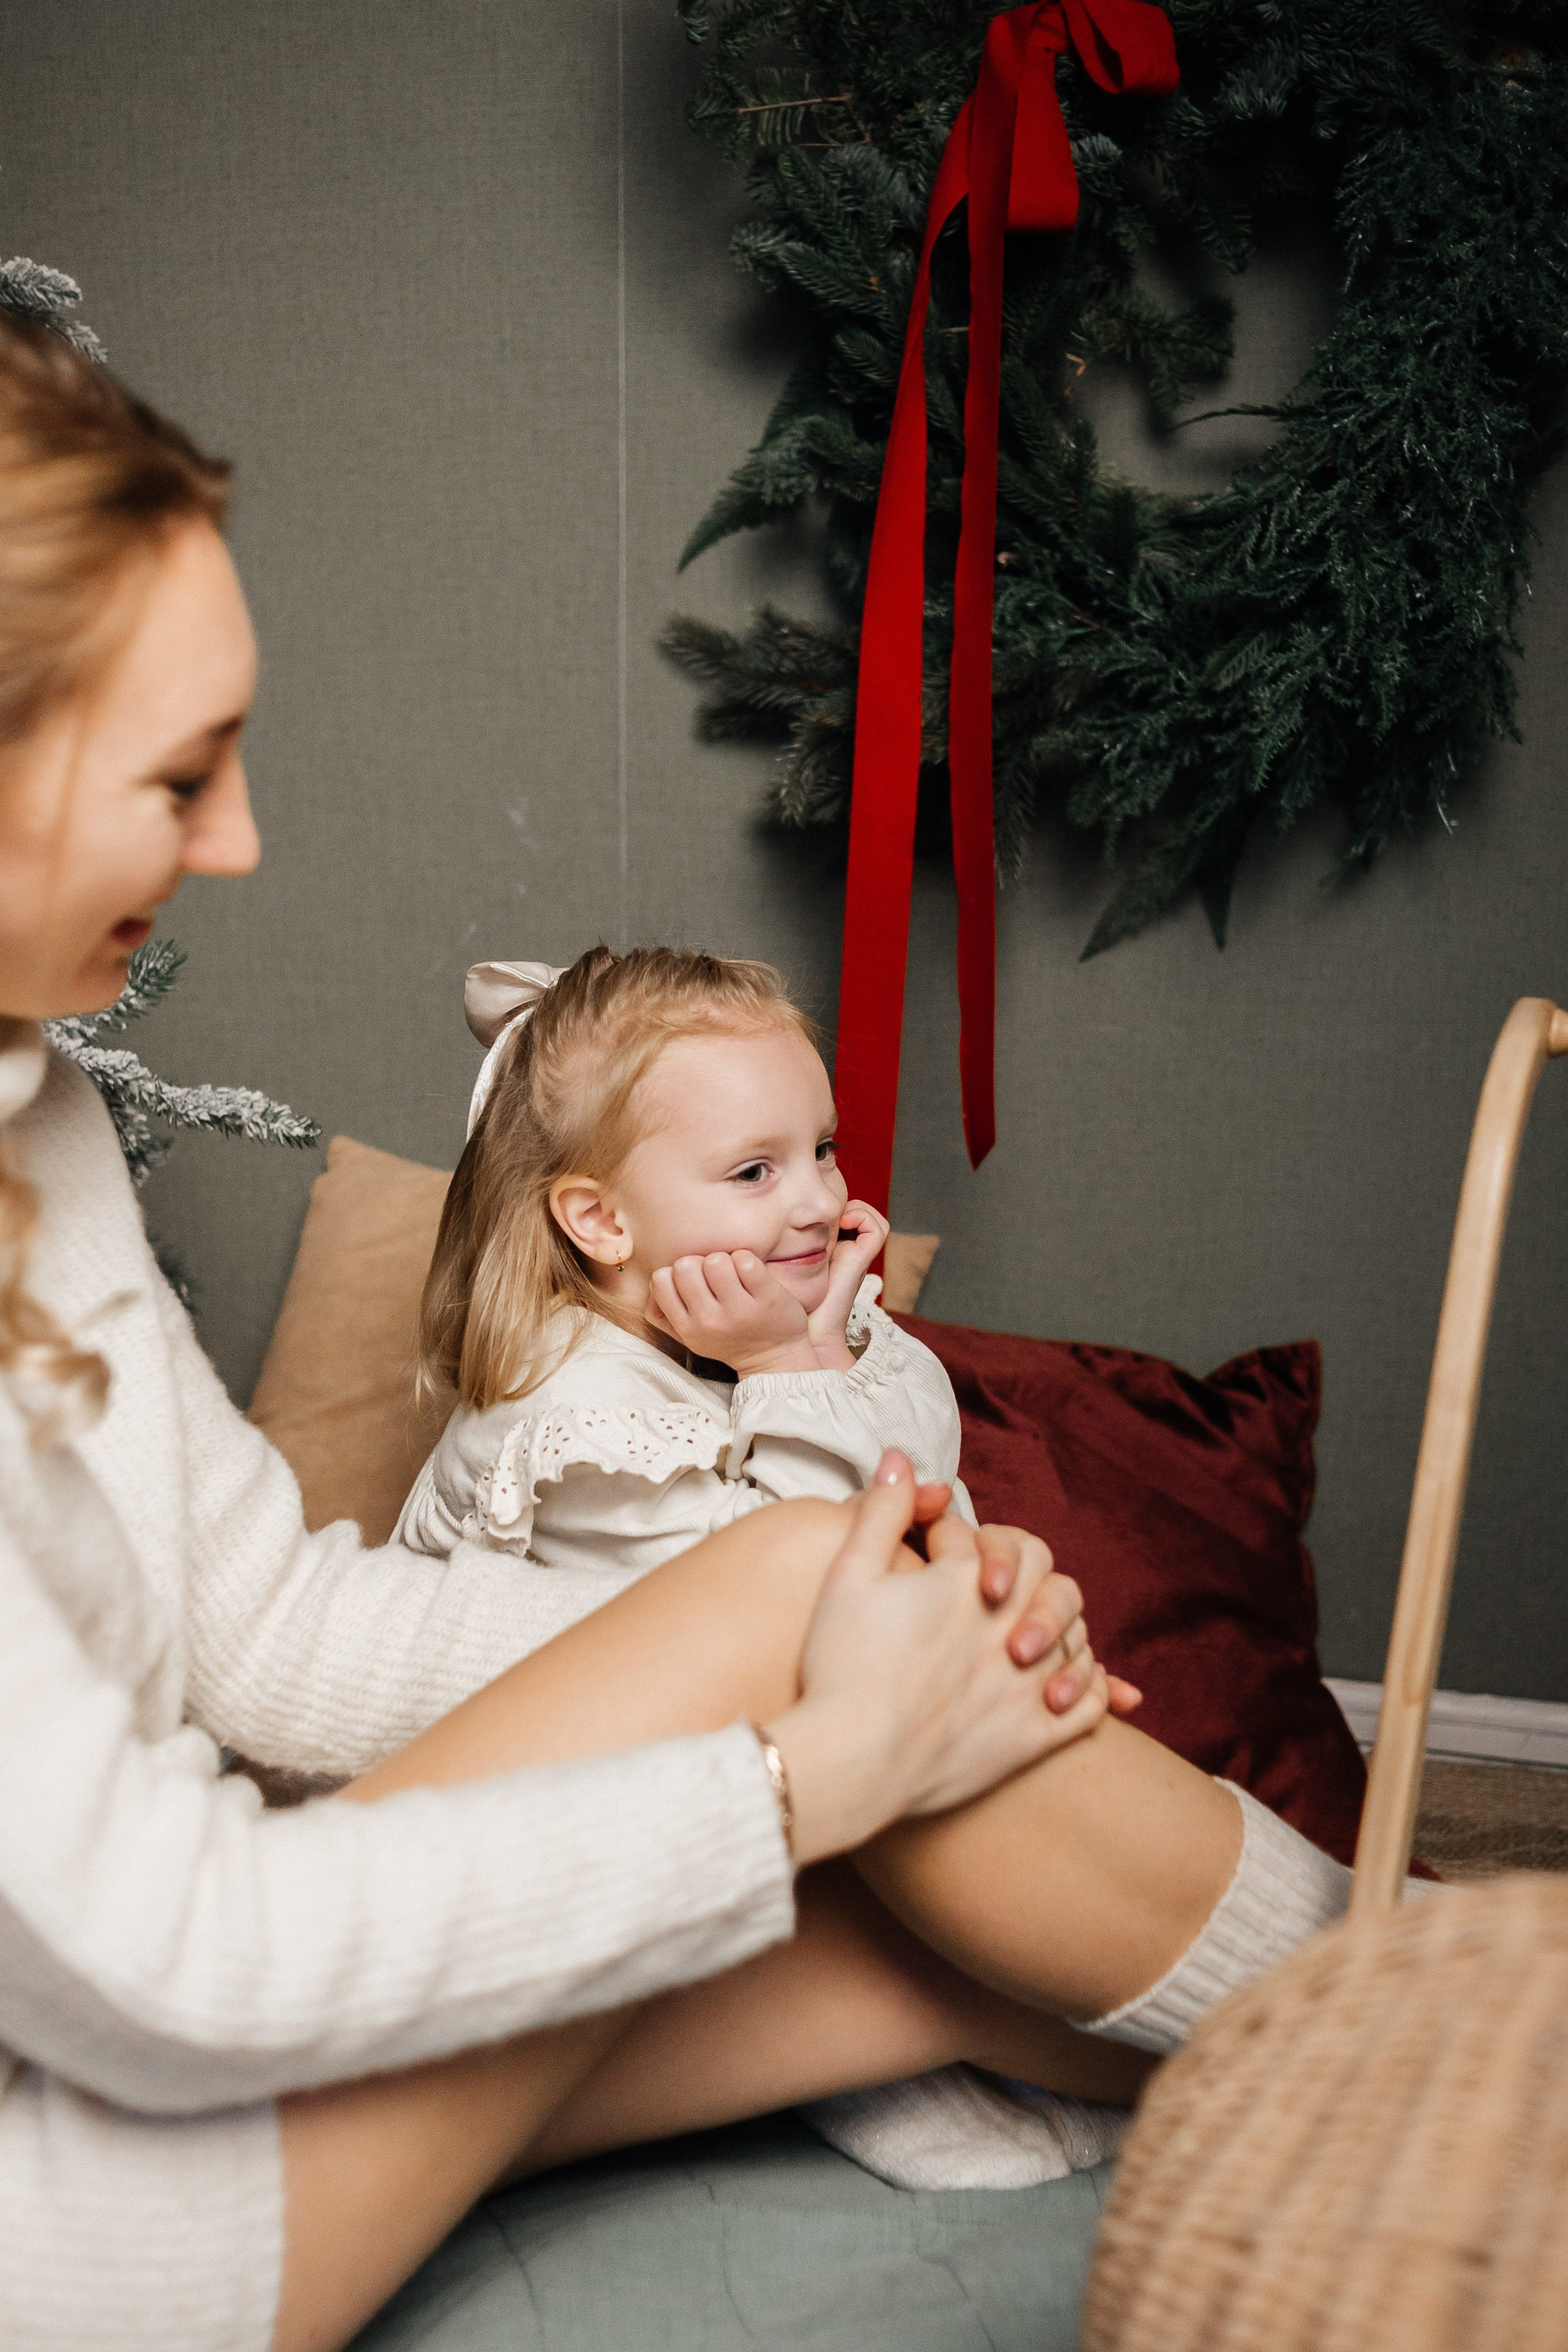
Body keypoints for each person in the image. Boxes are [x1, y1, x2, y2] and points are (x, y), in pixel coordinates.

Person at [0, 310, 1351, 2352]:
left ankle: (1426, 2011)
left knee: (894, 1802)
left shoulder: (47, 1111)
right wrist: (812, 1767)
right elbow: (175, 1961)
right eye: (181, 772)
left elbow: (264, 1633)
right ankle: (1430, 1994)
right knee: (829, 1676)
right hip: (77, 2225)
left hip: (157, 2081)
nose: (241, 841)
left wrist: (852, 1667)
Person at [398, 941, 1156, 2187]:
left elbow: (917, 1464)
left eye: (821, 1149)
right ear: (598, 1220)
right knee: (877, 1805)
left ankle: (1082, 1976)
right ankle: (861, 2043)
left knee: (1015, 1766)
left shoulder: (794, 1331)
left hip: (757, 1772)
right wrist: (792, 1378)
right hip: (557, 1832)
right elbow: (771, 1628)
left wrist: (819, 1366)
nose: (814, 1200)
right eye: (754, 1171)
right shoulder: (572, 1419)